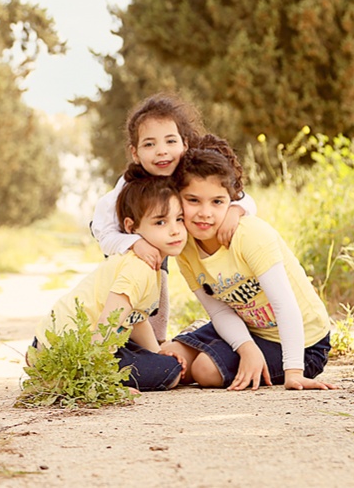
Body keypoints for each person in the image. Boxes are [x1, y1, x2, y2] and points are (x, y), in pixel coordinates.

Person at [159, 134, 335, 391]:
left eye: (217, 202)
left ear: (231, 200)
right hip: (247, 327)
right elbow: (219, 311)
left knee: (205, 370)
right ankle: (218, 343)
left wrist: (294, 371)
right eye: (193, 200)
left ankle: (217, 349)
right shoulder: (184, 246)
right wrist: (246, 347)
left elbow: (285, 305)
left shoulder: (250, 235)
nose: (205, 213)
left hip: (303, 344)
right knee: (169, 359)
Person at [90, 93, 257, 343]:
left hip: (161, 228)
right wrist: (134, 243)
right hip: (119, 233)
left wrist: (236, 209)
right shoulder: (130, 186)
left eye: (170, 141)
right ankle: (115, 333)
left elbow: (244, 199)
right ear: (135, 153)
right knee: (136, 278)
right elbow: (105, 232)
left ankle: (158, 339)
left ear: (184, 144)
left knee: (159, 275)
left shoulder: (188, 171)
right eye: (149, 145)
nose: (162, 152)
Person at [30, 170, 187, 391]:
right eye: (160, 222)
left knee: (166, 364)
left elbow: (136, 319)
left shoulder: (149, 265)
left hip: (68, 345)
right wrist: (103, 383)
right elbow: (107, 322)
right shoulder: (138, 267)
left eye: (179, 219)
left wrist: (156, 352)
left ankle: (57, 371)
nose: (175, 230)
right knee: (169, 372)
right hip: (66, 349)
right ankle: (69, 378)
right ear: (131, 227)